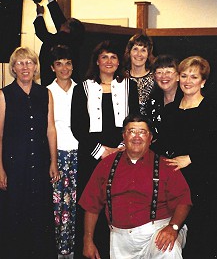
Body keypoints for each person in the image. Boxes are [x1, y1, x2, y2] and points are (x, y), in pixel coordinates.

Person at [79, 114, 192, 259]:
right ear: (124, 136)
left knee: (169, 250)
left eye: (142, 132)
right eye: (131, 131)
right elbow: (91, 205)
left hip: (157, 233)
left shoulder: (165, 165)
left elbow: (184, 200)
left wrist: (173, 227)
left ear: (150, 138)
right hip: (120, 240)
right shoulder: (106, 165)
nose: (136, 136)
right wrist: (87, 240)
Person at [153, 56, 217, 258]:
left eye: (194, 77)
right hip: (178, 183)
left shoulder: (215, 108)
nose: (188, 81)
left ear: (203, 81)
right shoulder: (170, 111)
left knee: (207, 240)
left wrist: (191, 158)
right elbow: (163, 145)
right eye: (184, 75)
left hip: (206, 183)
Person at [71, 40, 139, 259]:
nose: (109, 61)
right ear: (97, 61)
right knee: (92, 205)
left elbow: (135, 121)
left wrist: (121, 149)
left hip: (123, 153)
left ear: (119, 62)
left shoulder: (130, 87)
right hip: (93, 156)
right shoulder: (82, 87)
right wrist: (102, 151)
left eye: (113, 57)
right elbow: (78, 126)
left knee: (119, 204)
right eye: (104, 57)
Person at [0, 47, 60, 259]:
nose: (25, 67)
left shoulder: (45, 94)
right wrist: (0, 169)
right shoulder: (4, 95)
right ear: (13, 68)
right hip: (15, 165)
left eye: (29, 63)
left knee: (40, 212)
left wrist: (54, 162)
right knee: (15, 212)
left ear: (35, 67)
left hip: (41, 162)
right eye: (20, 63)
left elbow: (50, 129)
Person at [47, 45, 79, 259]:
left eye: (68, 63)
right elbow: (49, 127)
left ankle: (74, 249)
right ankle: (59, 250)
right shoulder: (46, 91)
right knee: (58, 204)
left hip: (80, 152)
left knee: (76, 202)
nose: (64, 68)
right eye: (59, 64)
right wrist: (53, 161)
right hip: (57, 153)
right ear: (52, 67)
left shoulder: (83, 88)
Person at [34, 0, 85, 86]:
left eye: (66, 22)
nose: (62, 21)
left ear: (67, 28)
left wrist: (39, 14)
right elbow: (57, 14)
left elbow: (41, 33)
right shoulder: (73, 40)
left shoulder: (59, 39)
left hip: (52, 82)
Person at [146, 54, 183, 139]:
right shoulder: (152, 102)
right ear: (154, 77)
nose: (163, 76)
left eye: (168, 72)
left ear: (178, 76)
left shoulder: (187, 101)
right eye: (159, 72)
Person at [123, 33, 155, 115]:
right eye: (135, 49)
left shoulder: (155, 78)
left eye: (143, 50)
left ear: (148, 54)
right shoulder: (121, 78)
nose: (139, 54)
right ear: (129, 52)